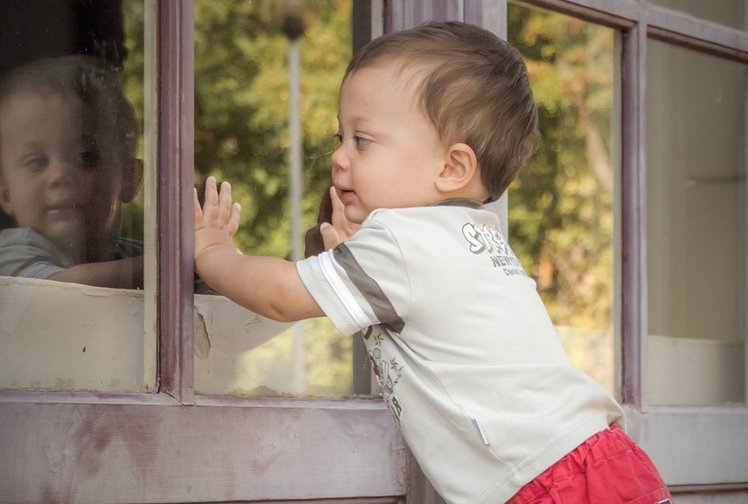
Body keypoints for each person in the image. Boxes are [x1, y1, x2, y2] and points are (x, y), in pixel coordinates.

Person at [193, 21, 672, 504]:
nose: (338, 157)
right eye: (342, 137)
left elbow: (280, 296)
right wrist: (350, 253)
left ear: (451, 168)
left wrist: (213, 251)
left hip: (552, 482)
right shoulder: (471, 236)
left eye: (362, 140)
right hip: (598, 462)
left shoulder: (404, 242)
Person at [0, 56, 143, 289]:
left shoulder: (134, 255)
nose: (59, 175)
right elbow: (58, 291)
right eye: (36, 161)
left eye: (86, 157)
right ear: (6, 192)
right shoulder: (10, 252)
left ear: (129, 177)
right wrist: (173, 265)